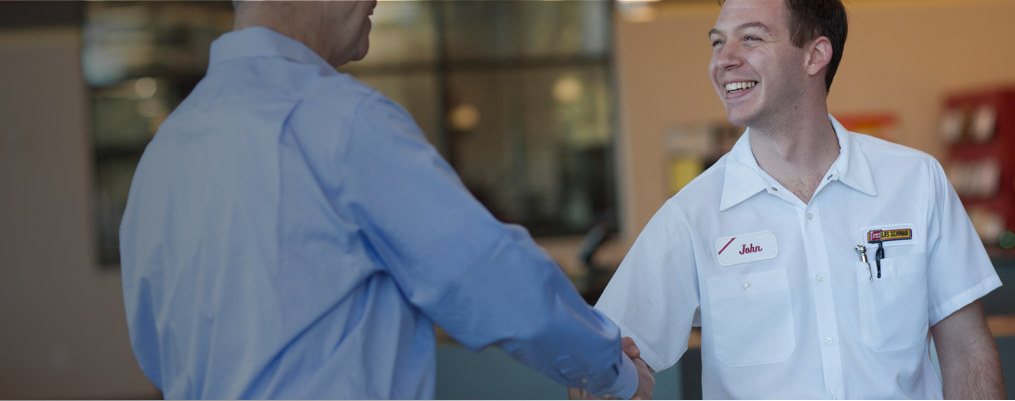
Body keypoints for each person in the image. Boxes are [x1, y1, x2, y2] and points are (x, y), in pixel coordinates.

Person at [119, 1, 654, 399]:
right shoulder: (338, 119)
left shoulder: (165, 151)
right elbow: (491, 276)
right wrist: (613, 371)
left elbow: (155, 352)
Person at [584, 0, 1006, 399]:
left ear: (815, 54)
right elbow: (603, 363)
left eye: (750, 38)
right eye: (717, 42)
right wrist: (612, 380)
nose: (723, 59)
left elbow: (967, 350)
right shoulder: (691, 216)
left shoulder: (917, 181)